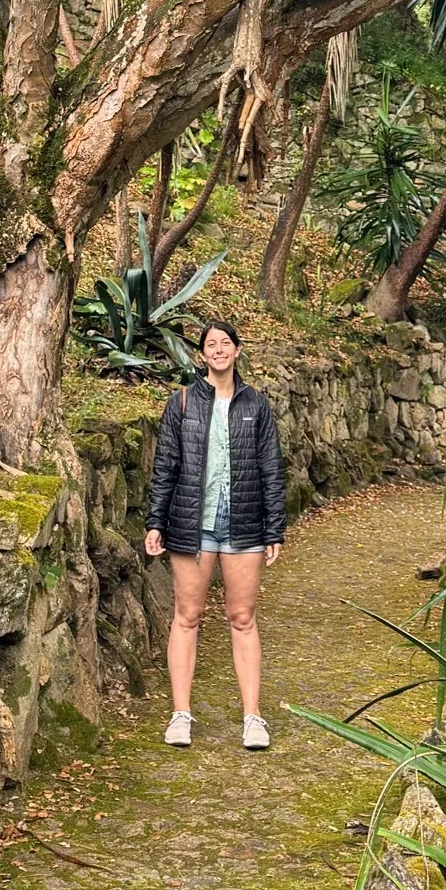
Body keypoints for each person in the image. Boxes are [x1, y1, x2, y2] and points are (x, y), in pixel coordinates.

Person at [144, 316, 285, 749]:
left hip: (244, 525)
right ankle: (180, 714)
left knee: (242, 619)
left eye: (226, 342)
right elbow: (165, 464)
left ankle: (253, 718)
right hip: (193, 524)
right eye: (211, 344)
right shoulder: (182, 402)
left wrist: (274, 529)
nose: (219, 349)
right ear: (202, 353)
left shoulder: (256, 405)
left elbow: (271, 469)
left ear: (237, 351)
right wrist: (155, 521)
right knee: (187, 617)